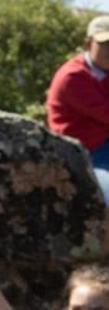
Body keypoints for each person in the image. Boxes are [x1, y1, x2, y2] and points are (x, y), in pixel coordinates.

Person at [45, 16, 109, 201]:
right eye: (105, 44)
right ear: (88, 44)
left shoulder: (103, 71)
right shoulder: (72, 76)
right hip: (82, 152)